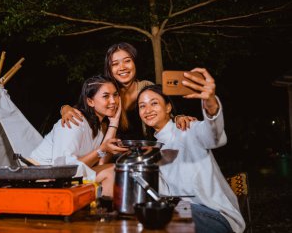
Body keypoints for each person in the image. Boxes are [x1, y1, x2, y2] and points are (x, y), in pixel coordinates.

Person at [136, 68, 245, 233]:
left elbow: (214, 135)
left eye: (154, 103)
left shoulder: (188, 128)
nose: (147, 110)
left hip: (216, 217)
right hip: (181, 214)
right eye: (142, 106)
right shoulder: (152, 150)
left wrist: (210, 102)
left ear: (168, 107)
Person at [60, 42, 196, 141]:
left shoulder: (147, 87)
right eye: (115, 64)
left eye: (127, 61)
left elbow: (164, 113)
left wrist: (178, 117)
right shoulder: (107, 92)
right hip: (111, 153)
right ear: (109, 69)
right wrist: (64, 109)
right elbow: (82, 108)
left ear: (135, 63)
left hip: (147, 151)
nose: (122, 67)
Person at [29, 75, 128, 197]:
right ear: (90, 101)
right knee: (110, 171)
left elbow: (101, 162)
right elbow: (63, 169)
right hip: (41, 179)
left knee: (114, 169)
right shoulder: (74, 121)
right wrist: (102, 149)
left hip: (65, 178)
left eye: (115, 95)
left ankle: (103, 212)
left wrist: (114, 122)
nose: (113, 101)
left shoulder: (98, 127)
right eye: (106, 96)